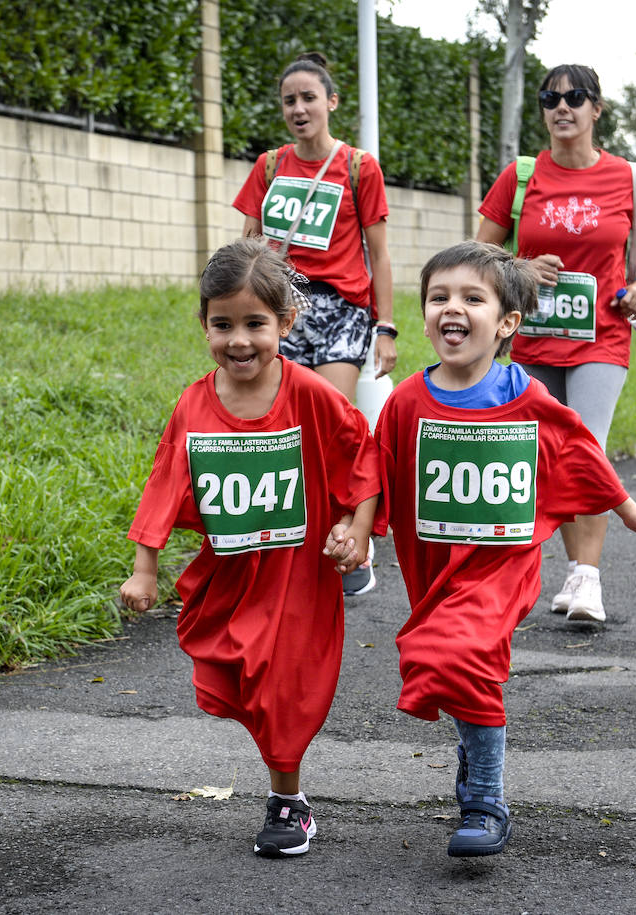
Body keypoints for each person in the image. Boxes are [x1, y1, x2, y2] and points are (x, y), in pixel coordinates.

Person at [374, 241, 636, 857]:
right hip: (434, 567)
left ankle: (486, 801)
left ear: (508, 323)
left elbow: (580, 452)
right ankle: (473, 762)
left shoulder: (525, 395)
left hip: (501, 567)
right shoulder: (405, 400)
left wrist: (631, 511)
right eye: (439, 297)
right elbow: (375, 473)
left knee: (462, 655)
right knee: (454, 662)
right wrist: (355, 531)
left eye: (471, 298)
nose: (452, 308)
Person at [119, 239, 380, 857]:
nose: (239, 340)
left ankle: (288, 802)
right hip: (232, 575)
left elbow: (363, 454)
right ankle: (282, 780)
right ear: (203, 323)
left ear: (287, 323)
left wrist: (357, 530)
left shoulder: (310, 391)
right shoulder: (194, 402)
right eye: (223, 324)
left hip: (296, 573)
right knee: (237, 679)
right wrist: (144, 568)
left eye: (256, 324)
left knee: (284, 685)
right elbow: (166, 481)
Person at [475, 63, 636, 624]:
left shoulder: (627, 178)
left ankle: (588, 580)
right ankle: (554, 572)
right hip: (534, 337)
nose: (563, 107)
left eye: (576, 97)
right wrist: (521, 267)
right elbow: (475, 254)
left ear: (596, 109)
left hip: (601, 334)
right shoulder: (521, 176)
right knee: (541, 457)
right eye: (551, 98)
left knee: (586, 445)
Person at [232, 50, 396, 597]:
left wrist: (386, 326)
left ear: (331, 102)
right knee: (281, 431)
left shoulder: (358, 166)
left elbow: (380, 253)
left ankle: (355, 542)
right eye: (289, 101)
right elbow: (248, 246)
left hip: (341, 310)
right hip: (282, 310)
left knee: (330, 432)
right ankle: (290, 546)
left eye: (308, 98)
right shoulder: (270, 166)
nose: (298, 109)